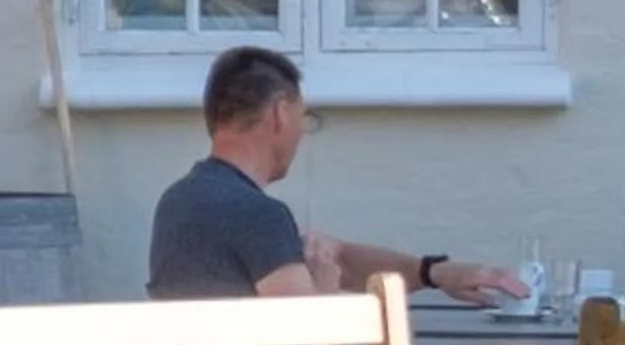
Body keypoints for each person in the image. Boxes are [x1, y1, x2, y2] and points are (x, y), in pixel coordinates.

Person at [148, 45, 520, 302]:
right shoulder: (257, 215)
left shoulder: (181, 202)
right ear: (280, 114)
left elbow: (332, 257)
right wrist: (326, 296)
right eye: (302, 117)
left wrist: (433, 273)